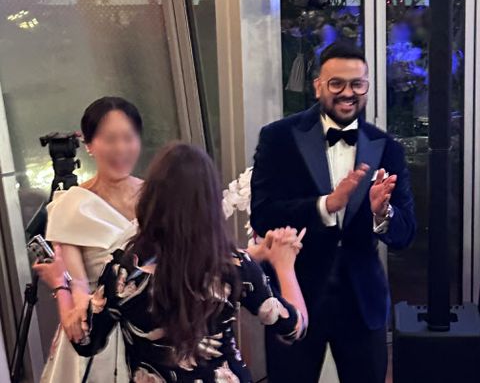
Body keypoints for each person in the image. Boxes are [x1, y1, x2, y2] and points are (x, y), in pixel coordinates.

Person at [34, 142, 308, 382]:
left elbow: (84, 341)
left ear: (151, 199)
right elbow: (293, 327)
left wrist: (60, 285)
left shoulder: (124, 273)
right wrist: (284, 266)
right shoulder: (234, 265)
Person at [250, 42, 416, 382]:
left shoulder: (387, 147)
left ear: (367, 87)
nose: (348, 93)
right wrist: (326, 205)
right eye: (336, 83)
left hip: (363, 302)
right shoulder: (278, 138)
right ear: (318, 86)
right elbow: (263, 216)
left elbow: (406, 234)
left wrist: (382, 214)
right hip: (296, 293)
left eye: (357, 84)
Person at [40, 97, 144, 383]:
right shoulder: (69, 205)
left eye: (128, 138)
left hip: (153, 325)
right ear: (88, 144)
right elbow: (79, 283)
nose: (120, 148)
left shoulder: (157, 196)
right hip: (100, 327)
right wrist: (79, 311)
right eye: (109, 139)